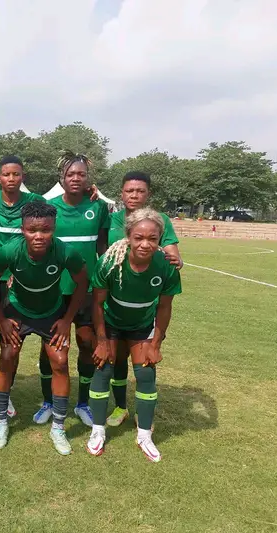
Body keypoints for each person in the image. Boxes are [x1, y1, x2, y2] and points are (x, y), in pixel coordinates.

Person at [0, 201, 88, 455]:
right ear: (23, 229)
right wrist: (1, 319)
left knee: (60, 361)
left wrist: (67, 320)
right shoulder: (10, 251)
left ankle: (58, 428)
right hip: (17, 310)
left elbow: (83, 283)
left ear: (54, 228)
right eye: (32, 230)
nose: (39, 236)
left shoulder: (66, 252)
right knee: (7, 356)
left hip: (51, 312)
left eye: (46, 230)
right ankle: (1, 422)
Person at [86, 208, 181, 462]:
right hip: (111, 323)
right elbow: (97, 304)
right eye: (138, 237)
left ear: (160, 239)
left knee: (146, 373)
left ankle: (144, 436)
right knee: (103, 369)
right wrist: (102, 341)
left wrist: (156, 343)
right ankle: (97, 431)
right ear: (128, 236)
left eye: (152, 238)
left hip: (141, 325)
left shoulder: (167, 266)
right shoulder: (109, 262)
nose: (145, 244)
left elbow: (165, 307)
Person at [34, 151, 109, 428]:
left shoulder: (98, 207)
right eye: (70, 174)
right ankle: (48, 401)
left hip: (87, 289)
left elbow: (102, 247)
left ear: (88, 179)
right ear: (62, 178)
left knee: (87, 343)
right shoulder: (48, 207)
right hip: (54, 288)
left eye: (81, 174)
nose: (76, 178)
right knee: (51, 346)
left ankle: (83, 403)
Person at [104, 171, 182, 428]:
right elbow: (102, 252)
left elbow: (170, 250)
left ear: (148, 194)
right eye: (129, 190)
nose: (134, 195)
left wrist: (175, 258)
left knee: (145, 361)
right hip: (114, 300)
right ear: (122, 193)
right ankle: (120, 407)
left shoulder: (160, 220)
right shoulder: (111, 219)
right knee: (117, 359)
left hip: (143, 303)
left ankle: (143, 412)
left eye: (140, 191)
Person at [0, 156, 46, 418]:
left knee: (11, 342)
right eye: (7, 174)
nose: (12, 178)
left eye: (16, 174)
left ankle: (7, 393)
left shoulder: (35, 201)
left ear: (23, 177)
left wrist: (90, 192)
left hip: (18, 283)